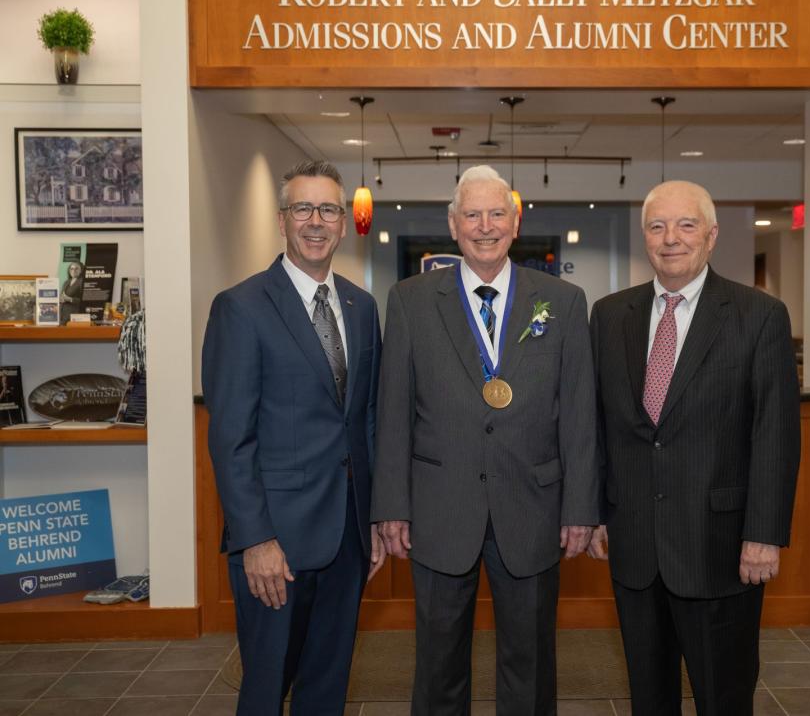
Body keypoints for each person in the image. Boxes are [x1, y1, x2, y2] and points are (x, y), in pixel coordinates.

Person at [372, 165, 599, 716]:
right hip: (439, 508)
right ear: (453, 224)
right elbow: (393, 411)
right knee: (438, 663)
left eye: (497, 213)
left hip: (534, 506)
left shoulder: (563, 301)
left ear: (516, 222)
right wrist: (391, 507)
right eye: (472, 214)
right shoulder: (409, 300)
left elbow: (579, 415)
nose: (485, 226)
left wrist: (581, 509)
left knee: (531, 662)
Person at [588, 180, 800, 716]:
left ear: (711, 235)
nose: (670, 239)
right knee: (649, 698)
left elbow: (775, 435)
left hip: (722, 549)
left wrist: (763, 535)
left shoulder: (759, 315)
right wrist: (591, 513)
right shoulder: (610, 316)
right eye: (657, 227)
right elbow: (598, 426)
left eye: (685, 225)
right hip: (636, 548)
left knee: (723, 697)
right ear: (644, 238)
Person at [202, 161, 384, 716]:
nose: (316, 221)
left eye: (328, 209)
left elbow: (366, 421)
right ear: (282, 220)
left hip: (347, 538)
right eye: (302, 208)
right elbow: (231, 438)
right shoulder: (241, 307)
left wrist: (375, 519)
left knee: (327, 686)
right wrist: (253, 539)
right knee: (265, 687)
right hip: (275, 544)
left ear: (343, 222)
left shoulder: (361, 305)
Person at [60, 260, 84, 324]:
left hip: (74, 316)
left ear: (81, 270)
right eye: (72, 268)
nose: (73, 270)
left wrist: (70, 299)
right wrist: (61, 299)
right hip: (62, 314)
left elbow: (84, 301)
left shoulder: (82, 282)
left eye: (77, 268)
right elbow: (62, 296)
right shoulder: (66, 282)